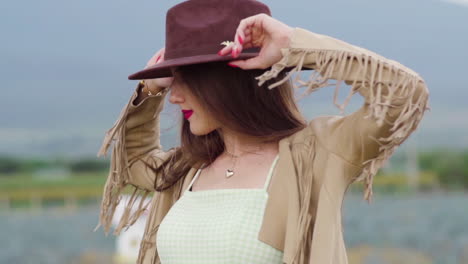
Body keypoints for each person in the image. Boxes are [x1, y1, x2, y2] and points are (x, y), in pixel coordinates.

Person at [95, 0, 430, 263]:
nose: (175, 95)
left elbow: (405, 94)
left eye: (185, 81)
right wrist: (150, 90)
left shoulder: (316, 155)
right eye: (172, 81)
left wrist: (293, 47)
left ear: (226, 82)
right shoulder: (187, 170)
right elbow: (132, 160)